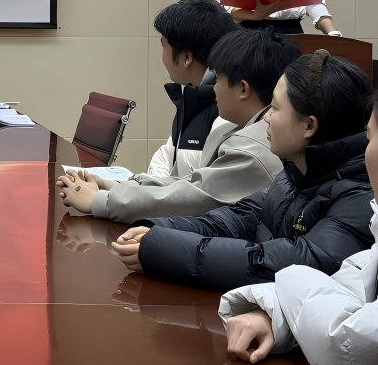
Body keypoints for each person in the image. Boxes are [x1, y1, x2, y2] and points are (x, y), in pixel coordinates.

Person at [111, 51, 374, 293]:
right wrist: (157, 230)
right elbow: (237, 220)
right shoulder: (294, 174)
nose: (267, 117)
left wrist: (163, 248)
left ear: (309, 126)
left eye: (275, 108)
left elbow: (295, 263)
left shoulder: (360, 196)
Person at [58, 28, 293, 222]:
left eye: (219, 80)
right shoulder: (238, 128)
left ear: (242, 88)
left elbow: (192, 199)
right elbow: (192, 183)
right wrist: (116, 186)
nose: (213, 89)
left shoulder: (254, 146)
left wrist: (99, 201)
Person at [219, 105, 378, 365]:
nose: (266, 116)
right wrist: (271, 315)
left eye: (370, 137)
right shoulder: (289, 178)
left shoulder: (351, 195)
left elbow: (349, 341)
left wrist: (291, 278)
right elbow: (351, 286)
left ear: (310, 125)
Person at [145, 0, 238, 179]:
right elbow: (165, 155)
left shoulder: (227, 110)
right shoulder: (194, 95)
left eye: (163, 46)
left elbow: (197, 187)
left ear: (186, 58)